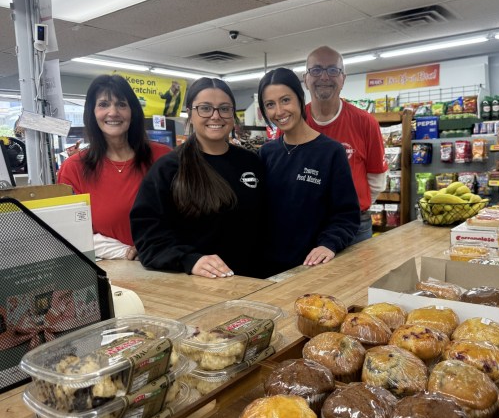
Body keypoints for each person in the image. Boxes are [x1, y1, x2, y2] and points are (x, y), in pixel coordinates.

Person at [130, 77, 266, 278]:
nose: (215, 116)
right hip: (198, 287)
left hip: (254, 281)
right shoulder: (168, 168)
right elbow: (149, 238)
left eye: (224, 108)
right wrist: (190, 260)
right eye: (205, 108)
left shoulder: (251, 162)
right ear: (190, 114)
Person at [57, 74, 170, 260]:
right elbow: (70, 235)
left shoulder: (163, 158)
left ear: (132, 111)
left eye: (121, 104)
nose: (113, 112)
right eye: (103, 104)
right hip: (111, 277)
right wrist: (125, 252)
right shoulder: (74, 168)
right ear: (92, 113)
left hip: (167, 267)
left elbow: (185, 215)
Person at [258, 67, 359, 272]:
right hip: (267, 269)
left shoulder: (331, 152)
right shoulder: (266, 153)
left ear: (299, 98)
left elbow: (346, 215)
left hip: (311, 267)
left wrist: (329, 244)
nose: (279, 111)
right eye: (270, 104)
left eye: (285, 100)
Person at [304, 46, 388, 243]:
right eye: (316, 70)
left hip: (355, 228)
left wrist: (351, 207)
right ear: (305, 78)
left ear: (343, 79)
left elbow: (377, 179)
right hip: (306, 224)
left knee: (359, 275)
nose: (324, 76)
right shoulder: (294, 122)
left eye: (333, 70)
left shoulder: (365, 122)